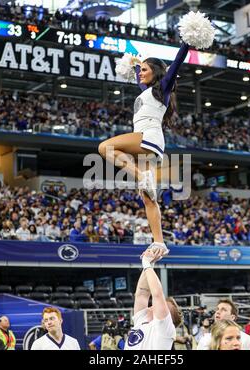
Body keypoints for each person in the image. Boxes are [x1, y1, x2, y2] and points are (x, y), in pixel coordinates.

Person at [98, 33, 190, 257]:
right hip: (149, 140)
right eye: (140, 71)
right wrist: (137, 62)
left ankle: (140, 175)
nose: (140, 74)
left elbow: (177, 63)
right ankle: (159, 242)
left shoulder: (164, 86)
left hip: (148, 135)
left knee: (104, 148)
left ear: (157, 73)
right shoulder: (148, 91)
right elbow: (140, 70)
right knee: (148, 197)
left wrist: (188, 41)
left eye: (145, 70)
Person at [125, 249, 182, 350]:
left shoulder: (165, 329)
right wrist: (151, 262)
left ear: (168, 319)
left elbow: (157, 294)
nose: (159, 305)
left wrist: (146, 263)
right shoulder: (143, 319)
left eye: (164, 307)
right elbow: (141, 293)